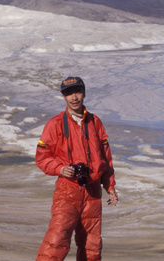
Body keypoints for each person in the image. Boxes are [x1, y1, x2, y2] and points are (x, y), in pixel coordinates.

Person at [35, 76, 118, 261]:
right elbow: (42, 157)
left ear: (84, 93)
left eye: (77, 92)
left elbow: (106, 159)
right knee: (56, 240)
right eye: (69, 93)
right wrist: (60, 169)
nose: (74, 97)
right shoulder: (55, 124)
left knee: (92, 247)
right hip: (68, 190)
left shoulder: (95, 122)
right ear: (63, 97)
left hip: (93, 192)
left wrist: (110, 187)